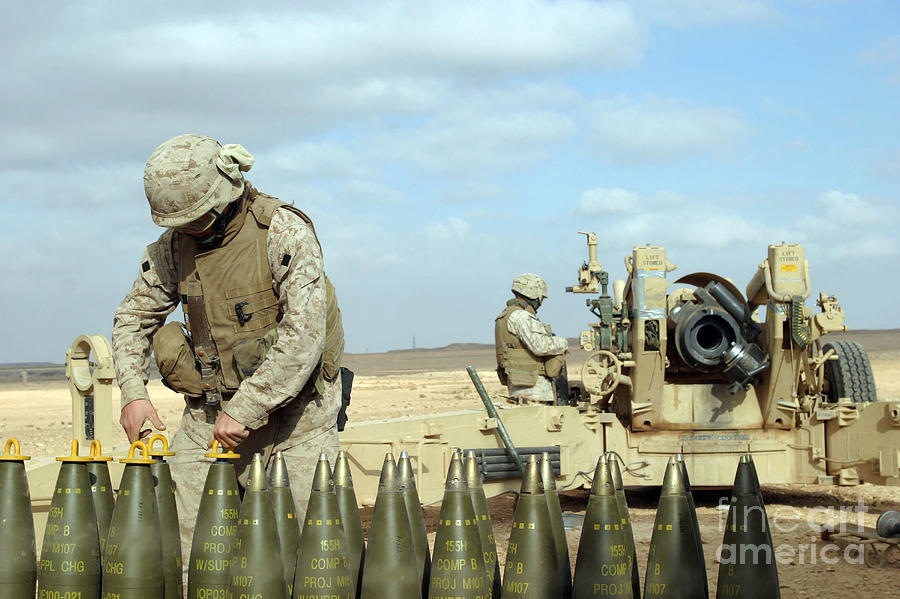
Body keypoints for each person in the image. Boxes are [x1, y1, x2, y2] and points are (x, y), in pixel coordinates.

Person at [111, 133, 346, 561]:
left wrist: (248, 407)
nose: (188, 231)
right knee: (190, 552)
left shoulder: (282, 231)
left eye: (196, 220)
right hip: (209, 418)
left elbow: (304, 335)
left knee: (311, 558)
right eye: (179, 224)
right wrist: (133, 394)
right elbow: (132, 320)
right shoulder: (173, 248)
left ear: (225, 194)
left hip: (296, 421)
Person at [495, 273, 568, 404]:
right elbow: (539, 346)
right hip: (534, 388)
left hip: (520, 384)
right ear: (534, 294)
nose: (540, 303)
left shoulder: (505, 315)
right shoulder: (522, 317)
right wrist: (562, 343)